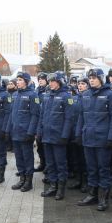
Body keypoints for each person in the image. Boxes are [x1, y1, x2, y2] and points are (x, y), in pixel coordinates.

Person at [75, 68, 112, 211]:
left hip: (103, 139)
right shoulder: (85, 95)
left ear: (101, 78)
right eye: (90, 78)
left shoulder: (111, 94)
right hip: (88, 137)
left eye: (94, 77)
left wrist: (111, 137)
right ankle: (92, 194)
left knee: (103, 169)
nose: (92, 80)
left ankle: (103, 198)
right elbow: (81, 116)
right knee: (91, 168)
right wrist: (78, 134)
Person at [39, 71, 74, 200]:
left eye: (53, 81)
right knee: (50, 163)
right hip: (47, 136)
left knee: (60, 164)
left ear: (59, 82)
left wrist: (65, 135)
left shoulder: (66, 96)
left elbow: (69, 118)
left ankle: (61, 189)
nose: (51, 84)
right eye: (50, 81)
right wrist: (39, 131)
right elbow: (42, 116)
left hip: (59, 136)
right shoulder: (47, 96)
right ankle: (53, 186)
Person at [7, 72, 40, 192]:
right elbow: (11, 114)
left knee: (27, 157)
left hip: (26, 132)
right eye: (17, 80)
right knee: (18, 156)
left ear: (26, 81)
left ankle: (28, 181)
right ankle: (21, 178)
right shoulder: (15, 95)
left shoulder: (33, 95)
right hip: (15, 132)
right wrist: (8, 130)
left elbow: (35, 115)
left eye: (20, 80)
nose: (18, 82)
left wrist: (30, 132)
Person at [68, 76, 89, 192]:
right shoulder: (74, 98)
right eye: (79, 84)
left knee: (84, 159)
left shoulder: (88, 97)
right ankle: (78, 179)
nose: (80, 86)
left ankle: (86, 182)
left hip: (84, 133)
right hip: (74, 133)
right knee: (76, 158)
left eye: (83, 84)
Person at [34, 72, 48, 173]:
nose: (40, 80)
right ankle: (42, 163)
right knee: (39, 146)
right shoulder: (36, 91)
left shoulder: (48, 91)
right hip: (37, 120)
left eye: (42, 79)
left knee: (45, 146)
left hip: (45, 120)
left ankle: (48, 165)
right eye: (39, 79)